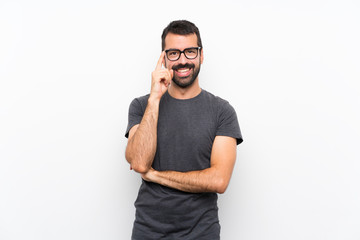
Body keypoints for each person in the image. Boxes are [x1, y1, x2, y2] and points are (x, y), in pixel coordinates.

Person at [125, 20, 243, 240]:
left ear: (201, 55)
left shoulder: (222, 111)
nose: (182, 61)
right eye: (173, 53)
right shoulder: (142, 106)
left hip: (202, 233)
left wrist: (157, 176)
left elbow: (219, 181)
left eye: (190, 52)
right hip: (148, 232)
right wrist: (155, 98)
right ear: (163, 58)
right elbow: (140, 162)